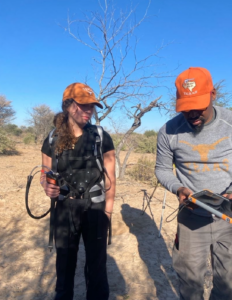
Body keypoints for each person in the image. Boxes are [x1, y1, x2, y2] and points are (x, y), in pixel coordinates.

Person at [155, 67, 232, 300]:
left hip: (229, 215)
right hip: (190, 216)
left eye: (198, 106)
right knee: (190, 283)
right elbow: (162, 169)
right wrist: (179, 188)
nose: (192, 113)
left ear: (213, 94)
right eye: (186, 108)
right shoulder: (169, 130)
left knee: (228, 282)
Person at [40, 82, 116, 300]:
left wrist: (107, 212)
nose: (88, 111)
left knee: (97, 268)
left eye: (91, 106)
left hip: (95, 207)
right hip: (64, 208)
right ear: (68, 106)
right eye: (83, 106)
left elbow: (111, 178)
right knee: (63, 267)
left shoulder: (101, 137)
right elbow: (44, 172)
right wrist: (47, 186)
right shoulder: (53, 138)